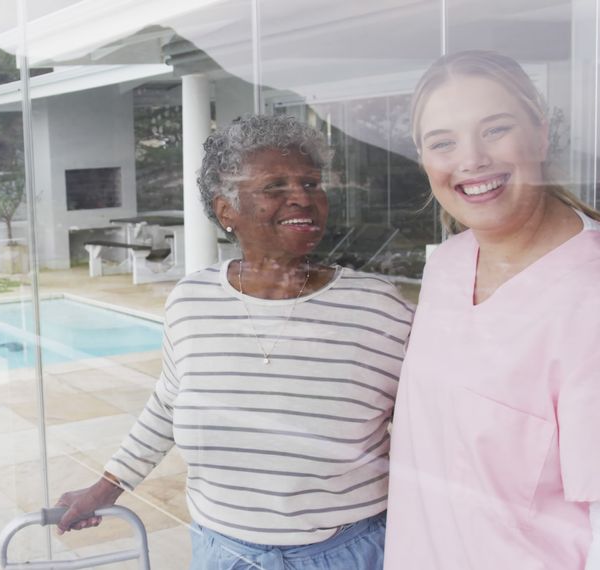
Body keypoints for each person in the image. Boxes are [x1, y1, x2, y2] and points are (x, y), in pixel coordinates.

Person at [55, 114, 413, 569]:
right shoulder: (191, 301)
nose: (302, 197)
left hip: (347, 552)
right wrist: (105, 487)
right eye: (275, 187)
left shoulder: (377, 307)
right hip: (223, 553)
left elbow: (431, 429)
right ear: (227, 210)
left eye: (311, 182)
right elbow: (168, 404)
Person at [384, 50, 600, 569]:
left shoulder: (589, 296)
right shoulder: (448, 266)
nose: (472, 159)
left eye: (496, 129)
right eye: (443, 142)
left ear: (541, 134)